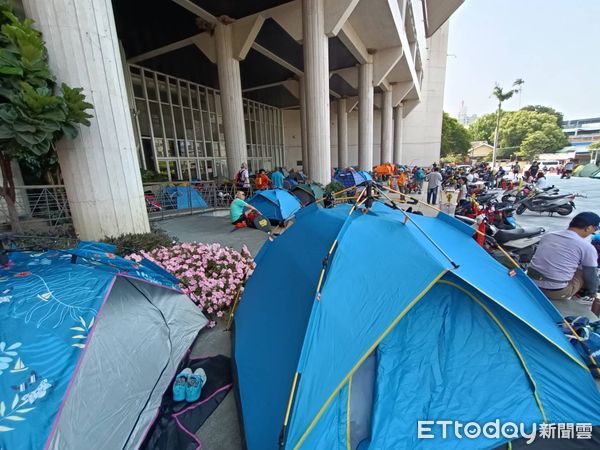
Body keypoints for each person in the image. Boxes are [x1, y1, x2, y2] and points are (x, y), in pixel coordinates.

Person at [528, 212, 600, 313]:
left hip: (531, 283)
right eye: (595, 229)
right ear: (588, 228)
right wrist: (593, 292)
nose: (593, 232)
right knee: (586, 272)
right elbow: (591, 276)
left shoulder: (548, 235)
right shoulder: (586, 247)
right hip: (555, 291)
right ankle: (581, 297)